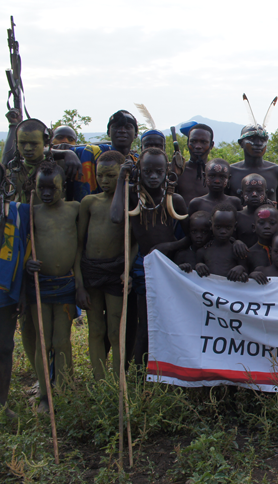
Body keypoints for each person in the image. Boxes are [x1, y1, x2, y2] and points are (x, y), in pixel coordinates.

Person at [111, 147, 189, 367]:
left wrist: (168, 246)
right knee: (145, 323)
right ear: (139, 171)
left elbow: (192, 238)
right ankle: (140, 375)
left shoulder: (176, 200)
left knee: (171, 321)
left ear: (167, 172)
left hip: (171, 269)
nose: (153, 177)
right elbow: (116, 218)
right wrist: (121, 180)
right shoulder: (133, 198)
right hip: (144, 268)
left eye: (158, 171)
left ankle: (170, 369)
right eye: (147, 172)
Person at [25, 162, 81, 413]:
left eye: (52, 188)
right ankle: (45, 394)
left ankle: (64, 390)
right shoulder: (31, 212)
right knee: (43, 341)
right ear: (34, 188)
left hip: (66, 285)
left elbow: (79, 248)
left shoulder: (74, 210)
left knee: (61, 340)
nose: (46, 193)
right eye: (41, 188)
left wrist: (79, 284)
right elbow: (21, 246)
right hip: (41, 285)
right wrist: (28, 262)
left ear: (64, 186)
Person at [75, 150, 130, 381]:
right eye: (100, 175)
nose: (104, 181)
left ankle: (118, 383)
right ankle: (99, 381)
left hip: (115, 273)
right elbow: (78, 245)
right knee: (95, 329)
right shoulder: (89, 202)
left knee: (115, 330)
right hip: (91, 271)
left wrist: (127, 271)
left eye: (111, 176)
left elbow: (133, 242)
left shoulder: (129, 203)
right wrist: (79, 284)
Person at [0, 171, 30, 418]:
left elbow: (24, 251)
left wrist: (21, 291)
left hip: (5, 292)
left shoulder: (17, 213)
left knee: (4, 346)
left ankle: (2, 404)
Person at [73, 110, 139, 202]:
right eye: (116, 127)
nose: (122, 131)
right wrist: (68, 153)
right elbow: (60, 151)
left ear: (136, 134)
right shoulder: (94, 153)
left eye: (128, 127)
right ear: (108, 132)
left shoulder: (138, 161)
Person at [229, 124, 278, 206]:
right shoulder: (231, 172)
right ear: (241, 143)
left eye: (263, 139)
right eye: (252, 139)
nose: (258, 143)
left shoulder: (277, 171)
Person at [195, 203, 248, 282]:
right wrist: (198, 266)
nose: (223, 231)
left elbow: (246, 271)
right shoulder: (203, 251)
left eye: (228, 227)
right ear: (211, 225)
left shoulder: (237, 250)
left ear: (235, 227)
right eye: (218, 227)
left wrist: (241, 269)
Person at [176, 124, 214, 205]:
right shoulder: (177, 171)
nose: (198, 146)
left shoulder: (217, 174)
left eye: (203, 142)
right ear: (187, 143)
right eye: (193, 141)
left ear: (212, 145)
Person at [236, 174, 269, 248]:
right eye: (249, 191)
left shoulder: (272, 216)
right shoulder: (237, 216)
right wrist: (236, 242)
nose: (254, 194)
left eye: (259, 191)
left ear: (265, 193)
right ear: (242, 193)